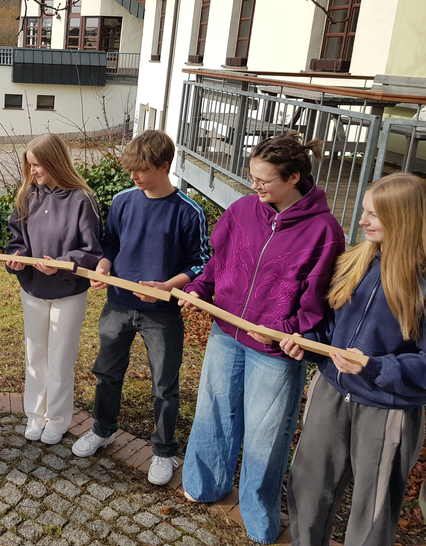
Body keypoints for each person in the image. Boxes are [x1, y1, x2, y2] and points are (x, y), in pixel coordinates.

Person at [179, 132, 346, 544]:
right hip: (225, 332)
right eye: (252, 177)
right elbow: (219, 262)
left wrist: (288, 332)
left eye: (264, 180)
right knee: (214, 411)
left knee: (265, 434)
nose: (255, 186)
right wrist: (200, 290)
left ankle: (258, 514)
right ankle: (205, 484)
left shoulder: (323, 230)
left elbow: (319, 299)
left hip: (273, 351)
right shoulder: (241, 210)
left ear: (293, 177)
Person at [280, 173, 426, 546]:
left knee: (372, 511)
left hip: (387, 409)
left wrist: (374, 366)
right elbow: (329, 325)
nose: (361, 221)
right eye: (364, 211)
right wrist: (308, 343)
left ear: (403, 219)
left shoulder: (421, 284)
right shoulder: (353, 262)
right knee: (307, 487)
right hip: (331, 392)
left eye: (373, 215)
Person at [70, 130, 210, 486]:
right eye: (131, 169)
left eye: (141, 170)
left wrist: (169, 287)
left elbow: (202, 262)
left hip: (161, 314)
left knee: (164, 385)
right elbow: (110, 243)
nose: (133, 176)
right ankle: (102, 429)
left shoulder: (189, 211)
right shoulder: (122, 200)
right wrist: (103, 265)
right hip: (117, 305)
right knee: (107, 372)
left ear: (164, 166)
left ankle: (164, 451)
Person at [5, 134, 103, 444]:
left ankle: (58, 418)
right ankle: (35, 414)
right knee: (35, 354)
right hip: (33, 289)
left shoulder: (82, 200)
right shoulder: (27, 197)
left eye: (37, 165)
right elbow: (15, 241)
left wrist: (62, 263)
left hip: (68, 292)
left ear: (55, 163)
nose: (32, 171)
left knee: (60, 357)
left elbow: (92, 250)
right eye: (29, 165)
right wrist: (16, 259)